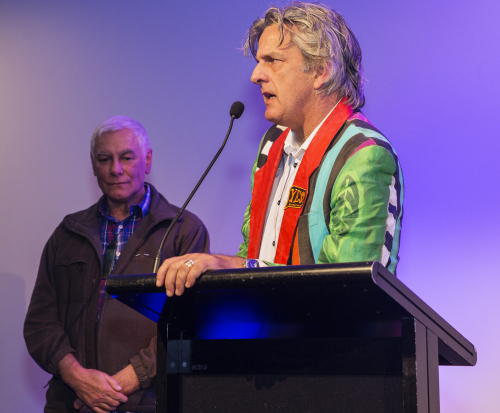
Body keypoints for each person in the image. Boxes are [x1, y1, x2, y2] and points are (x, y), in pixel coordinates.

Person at [156, 2, 403, 297]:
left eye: (272, 60)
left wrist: (230, 265)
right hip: (268, 323)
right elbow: (253, 253)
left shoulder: (364, 156)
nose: (256, 75)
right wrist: (216, 271)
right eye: (259, 61)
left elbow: (347, 288)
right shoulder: (272, 144)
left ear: (320, 71)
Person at [24, 116, 209, 413]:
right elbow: (39, 323)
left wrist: (118, 386)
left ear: (147, 160)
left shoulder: (183, 231)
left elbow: (189, 326)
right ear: (93, 165)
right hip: (70, 403)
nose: (115, 169)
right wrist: (78, 378)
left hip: (148, 403)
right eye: (104, 159)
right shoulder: (67, 233)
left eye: (126, 157)